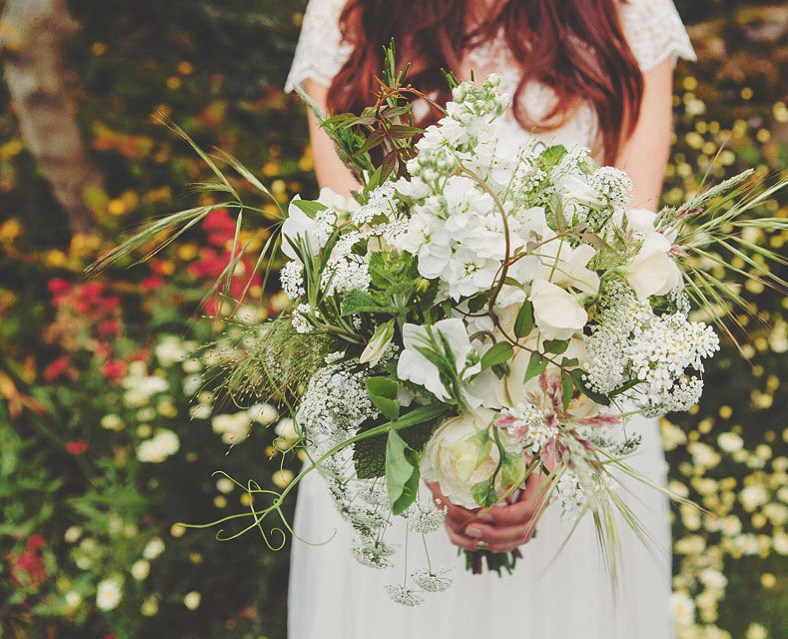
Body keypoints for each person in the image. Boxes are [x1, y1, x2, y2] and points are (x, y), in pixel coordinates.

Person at [284, 1, 695, 637]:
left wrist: (547, 445)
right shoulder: (350, 12)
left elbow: (627, 253)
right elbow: (352, 250)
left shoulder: (626, 10)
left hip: (577, 404)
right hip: (399, 418)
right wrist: (444, 450)